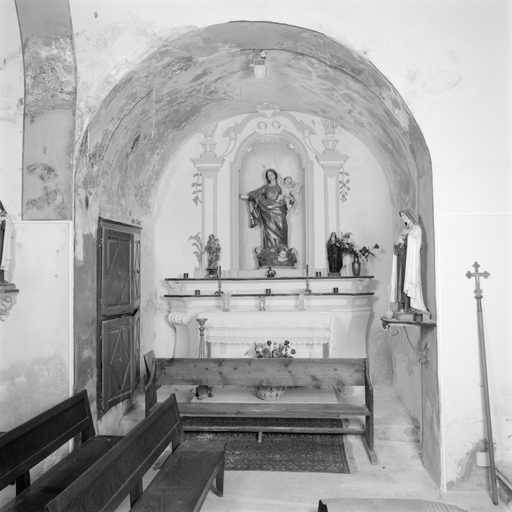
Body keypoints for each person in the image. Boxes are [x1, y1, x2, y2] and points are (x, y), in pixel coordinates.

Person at [240, 168, 293, 252]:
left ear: (275, 175)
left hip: (279, 211)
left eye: (271, 175)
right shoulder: (266, 187)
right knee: (269, 233)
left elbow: (288, 195)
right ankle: (270, 251)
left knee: (282, 227)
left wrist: (291, 200)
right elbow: (256, 193)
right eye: (268, 176)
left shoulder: (281, 186)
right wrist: (249, 196)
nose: (270, 177)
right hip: (267, 212)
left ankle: (282, 251)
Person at [390, 208, 428, 313]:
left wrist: (405, 238)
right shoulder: (406, 228)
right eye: (401, 216)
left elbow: (417, 244)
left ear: (409, 216)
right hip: (402, 258)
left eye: (403, 216)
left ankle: (408, 306)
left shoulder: (416, 228)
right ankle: (401, 306)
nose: (402, 218)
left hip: (410, 261)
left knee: (408, 280)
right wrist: (397, 244)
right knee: (401, 281)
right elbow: (400, 241)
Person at [0, 201, 13, 284]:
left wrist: (4, 221)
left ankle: (1, 278)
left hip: (1, 238)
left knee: (1, 258)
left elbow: (8, 221)